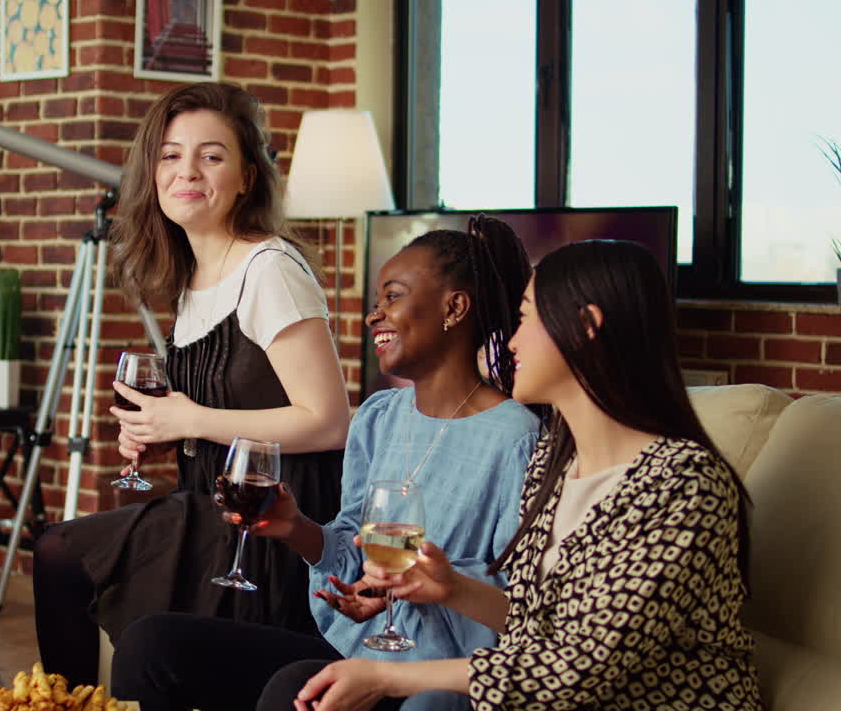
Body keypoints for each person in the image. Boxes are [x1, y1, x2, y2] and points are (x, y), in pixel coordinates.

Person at [286, 240, 763, 711]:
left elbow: (579, 665)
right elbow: (535, 622)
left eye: (528, 318)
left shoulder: (682, 485)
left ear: (586, 325)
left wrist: (388, 677)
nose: (511, 340)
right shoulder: (557, 467)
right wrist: (452, 587)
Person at [112, 217, 541, 711]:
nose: (373, 315)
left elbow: (520, 603)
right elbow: (353, 550)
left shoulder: (515, 437)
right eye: (377, 301)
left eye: (393, 297)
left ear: (454, 307)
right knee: (151, 645)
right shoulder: (379, 417)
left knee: (296, 688)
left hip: (437, 675)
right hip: (359, 648)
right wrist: (295, 527)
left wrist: (430, 584)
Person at [31, 82, 352, 685]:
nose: (187, 171)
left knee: (60, 555)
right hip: (210, 504)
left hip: (271, 522)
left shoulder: (270, 269)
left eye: (212, 155)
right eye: (171, 155)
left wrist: (188, 420)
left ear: (246, 177)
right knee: (59, 554)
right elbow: (227, 405)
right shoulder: (195, 275)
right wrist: (163, 433)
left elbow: (330, 420)